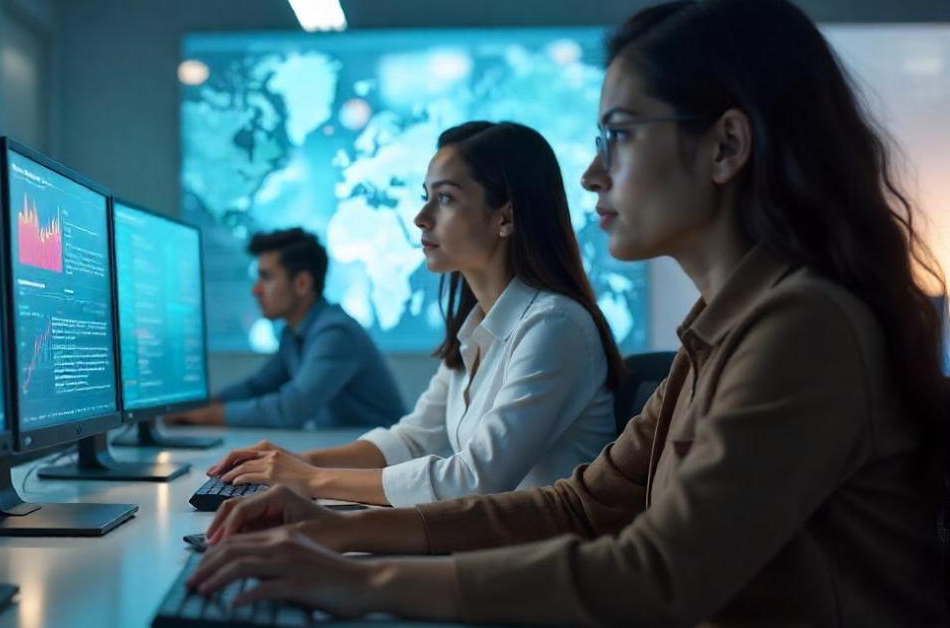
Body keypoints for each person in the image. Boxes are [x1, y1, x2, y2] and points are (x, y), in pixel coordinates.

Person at [186, 0, 950, 624]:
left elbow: (658, 575)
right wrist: (333, 530)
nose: (590, 175)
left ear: (725, 148)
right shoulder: (722, 330)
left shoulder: (804, 328)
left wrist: (363, 579)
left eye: (617, 137)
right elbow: (583, 507)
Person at [206, 121, 624, 507]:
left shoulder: (554, 326)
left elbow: (474, 479)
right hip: (486, 548)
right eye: (426, 197)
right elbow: (414, 440)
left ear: (506, 216)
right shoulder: (478, 327)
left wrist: (311, 480)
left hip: (536, 569)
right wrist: (294, 461)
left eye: (444, 198)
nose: (421, 218)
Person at [167, 228, 405, 429]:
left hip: (382, 467)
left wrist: (199, 415)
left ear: (302, 284)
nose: (256, 290)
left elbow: (291, 410)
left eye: (266, 278)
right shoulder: (293, 334)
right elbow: (257, 387)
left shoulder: (336, 333)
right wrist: (199, 403)